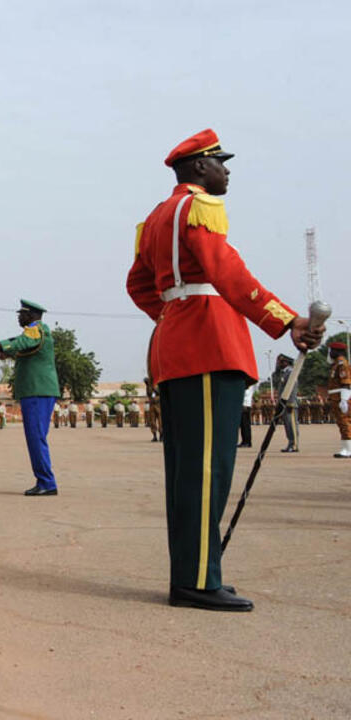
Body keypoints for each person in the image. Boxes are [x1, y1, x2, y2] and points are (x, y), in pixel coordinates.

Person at [126, 128, 322, 612]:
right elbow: (227, 272)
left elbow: (137, 285)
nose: (226, 171)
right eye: (220, 163)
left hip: (175, 346)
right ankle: (196, 580)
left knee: (187, 470)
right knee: (207, 470)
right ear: (198, 168)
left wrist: (173, 314)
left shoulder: (154, 219)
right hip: (208, 345)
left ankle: (197, 573)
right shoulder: (199, 207)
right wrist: (286, 320)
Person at [0, 300, 60, 496]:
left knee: (35, 438)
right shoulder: (37, 330)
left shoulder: (35, 329)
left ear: (30, 315)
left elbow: (22, 342)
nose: (18, 317)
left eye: (21, 313)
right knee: (37, 438)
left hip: (37, 391)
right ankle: (45, 481)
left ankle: (46, 482)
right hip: (39, 390)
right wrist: (6, 352)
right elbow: (23, 346)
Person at [327, 342, 351, 457]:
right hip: (336, 397)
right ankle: (346, 448)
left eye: (331, 350)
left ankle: (348, 449)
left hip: (341, 397)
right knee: (341, 423)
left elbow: (346, 383)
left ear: (337, 351)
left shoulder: (342, 364)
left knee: (345, 422)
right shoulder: (336, 364)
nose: (330, 353)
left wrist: (344, 399)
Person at [273, 354, 298, 452]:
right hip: (283, 404)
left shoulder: (291, 372)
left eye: (280, 362)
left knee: (292, 425)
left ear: (286, 362)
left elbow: (292, 388)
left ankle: (294, 445)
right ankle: (290, 443)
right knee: (287, 425)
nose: (278, 364)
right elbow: (276, 382)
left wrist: (290, 403)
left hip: (289, 403)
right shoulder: (283, 373)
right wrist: (276, 370)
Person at [238, 383, 255, 449]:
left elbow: (246, 393)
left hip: (245, 404)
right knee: (243, 425)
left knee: (245, 425)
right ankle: (245, 441)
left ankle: (247, 442)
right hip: (245, 404)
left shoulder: (248, 385)